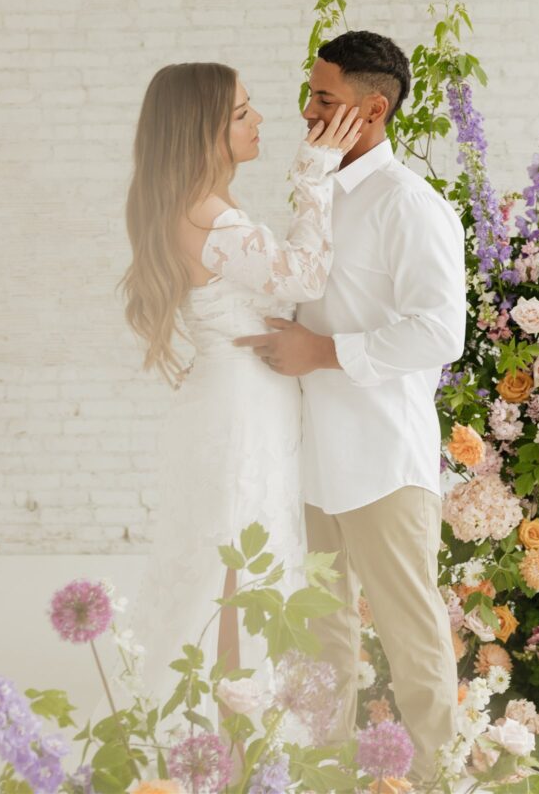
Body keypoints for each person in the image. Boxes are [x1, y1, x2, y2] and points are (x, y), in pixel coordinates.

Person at [235, 31, 466, 787]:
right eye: (309, 94)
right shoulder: (320, 190)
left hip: (381, 461)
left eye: (323, 99)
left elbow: (441, 331)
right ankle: (321, 779)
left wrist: (322, 352)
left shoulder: (411, 205)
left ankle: (441, 779)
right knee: (319, 640)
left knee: (412, 638)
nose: (306, 111)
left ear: (372, 109)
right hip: (309, 459)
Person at [117, 61, 361, 719]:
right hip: (240, 407)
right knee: (238, 563)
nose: (260, 122)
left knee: (237, 557)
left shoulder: (195, 205)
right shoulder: (207, 212)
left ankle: (230, 724)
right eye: (241, 113)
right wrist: (314, 171)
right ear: (202, 130)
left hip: (239, 394)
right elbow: (304, 277)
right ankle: (231, 730)